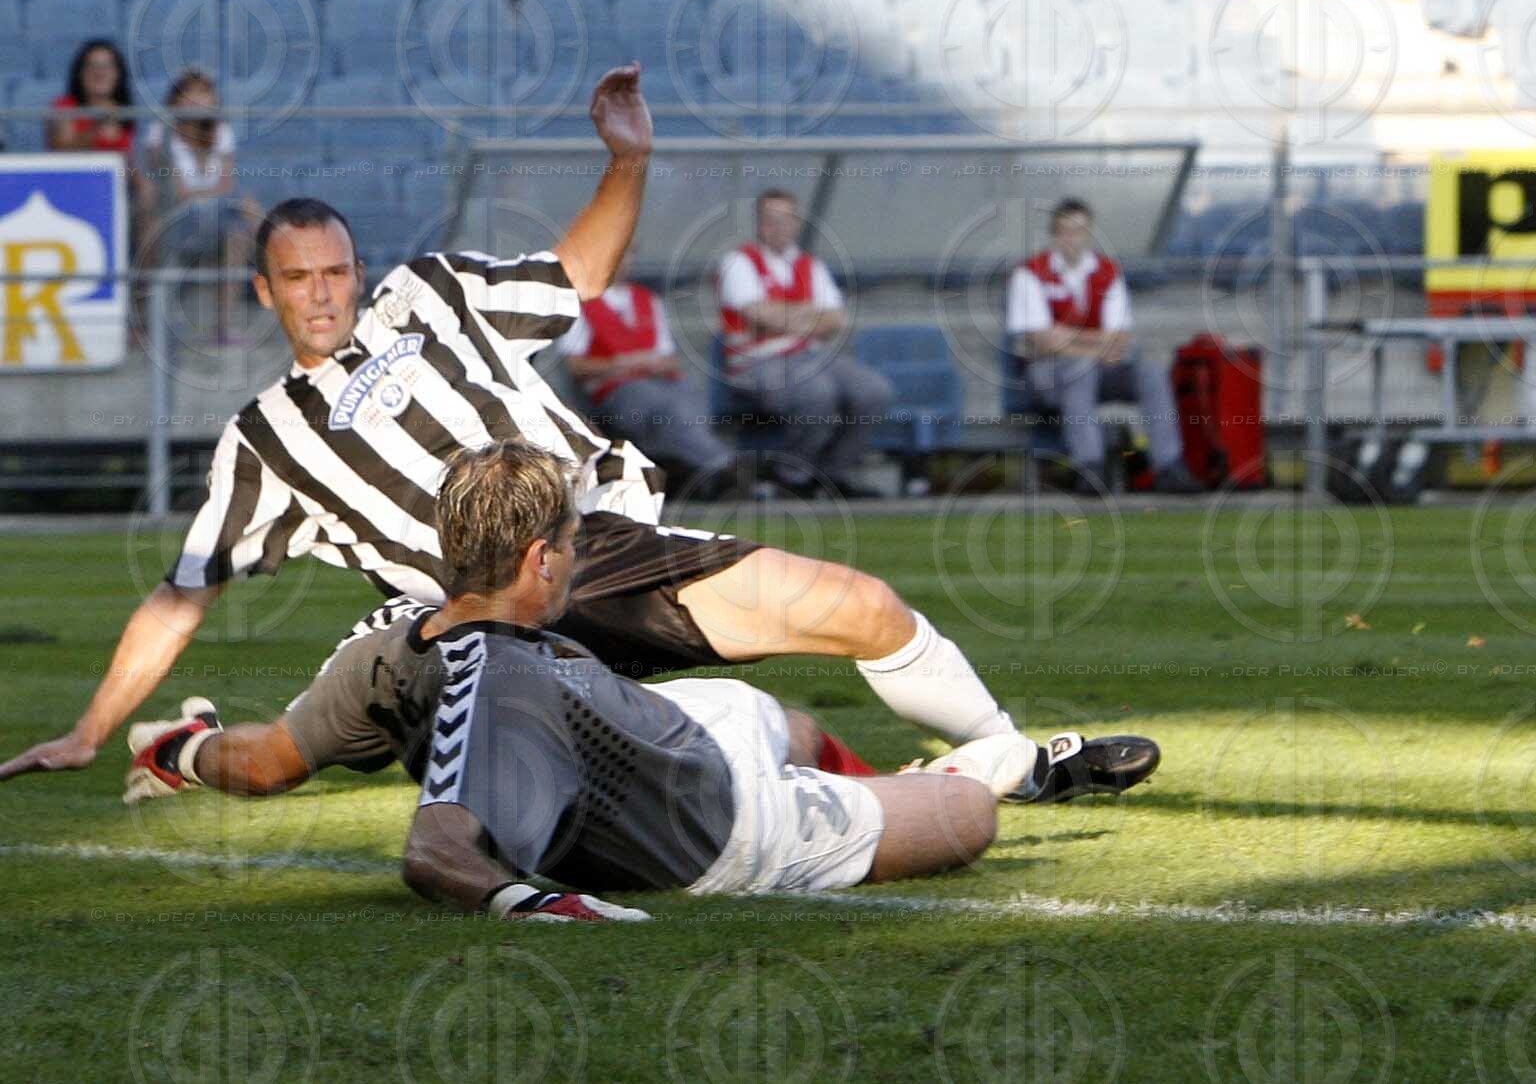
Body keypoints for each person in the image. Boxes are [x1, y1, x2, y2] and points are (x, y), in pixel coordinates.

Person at [0, 65, 1159, 809]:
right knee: (269, 762)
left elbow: (574, 275)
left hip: (591, 544)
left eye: (336, 270)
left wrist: (628, 161)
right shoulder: (265, 437)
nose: (323, 293)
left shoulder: (432, 293)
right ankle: (175, 746)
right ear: (263, 293)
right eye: (297, 279)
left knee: (846, 624)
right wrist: (89, 727)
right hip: (459, 635)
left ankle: (1011, 760)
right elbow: (182, 590)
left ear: (359, 267)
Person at [121, 441, 1008, 917]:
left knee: (786, 721)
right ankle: (900, 793)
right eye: (577, 546)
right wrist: (536, 905)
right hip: (722, 830)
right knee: (973, 815)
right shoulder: (495, 682)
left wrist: (189, 753)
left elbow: (271, 760)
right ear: (541, 559)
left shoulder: (380, 650)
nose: (582, 561)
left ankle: (857, 780)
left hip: (677, 727)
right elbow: (436, 851)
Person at [1007, 199, 1199, 495]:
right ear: (1055, 235)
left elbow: (1119, 340)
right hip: (1045, 375)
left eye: (1079, 231)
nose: (1073, 239)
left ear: (1089, 234)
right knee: (1079, 369)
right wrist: (1096, 343)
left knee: (1150, 372)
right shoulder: (1030, 274)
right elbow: (1040, 341)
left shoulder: (1108, 272)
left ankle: (1169, 465)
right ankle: (1090, 467)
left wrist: (1066, 336)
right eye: (1066, 232)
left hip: (1098, 368)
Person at [716, 190, 896, 498]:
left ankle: (831, 475)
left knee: (874, 391)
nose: (779, 228)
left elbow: (836, 319)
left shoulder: (809, 265)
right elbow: (756, 314)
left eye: (787, 220)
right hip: (758, 362)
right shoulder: (739, 261)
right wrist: (809, 316)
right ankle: (792, 477)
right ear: (759, 225)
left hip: (813, 355)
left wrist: (781, 316)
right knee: (817, 393)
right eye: (771, 220)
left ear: (797, 224)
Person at [555, 261, 741, 499]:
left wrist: (653, 364)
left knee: (688, 393)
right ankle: (722, 463)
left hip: (658, 382)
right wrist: (626, 364)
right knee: (661, 405)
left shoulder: (648, 300)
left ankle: (705, 468)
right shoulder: (582, 303)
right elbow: (576, 367)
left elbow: (670, 359)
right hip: (615, 389)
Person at [137, 68, 262, 345]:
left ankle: (225, 324)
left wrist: (203, 192)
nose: (198, 99)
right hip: (174, 216)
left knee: (242, 226)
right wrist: (206, 191)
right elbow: (173, 189)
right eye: (190, 92)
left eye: (204, 92)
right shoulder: (161, 135)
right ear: (176, 100)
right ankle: (143, 318)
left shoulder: (222, 132)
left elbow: (226, 185)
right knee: (152, 226)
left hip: (213, 214)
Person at [47, 40, 135, 157]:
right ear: (80, 73)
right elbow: (62, 153)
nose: (100, 73)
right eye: (92, 66)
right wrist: (96, 126)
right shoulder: (65, 107)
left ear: (118, 74)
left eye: (107, 66)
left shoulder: (125, 111)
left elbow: (129, 164)